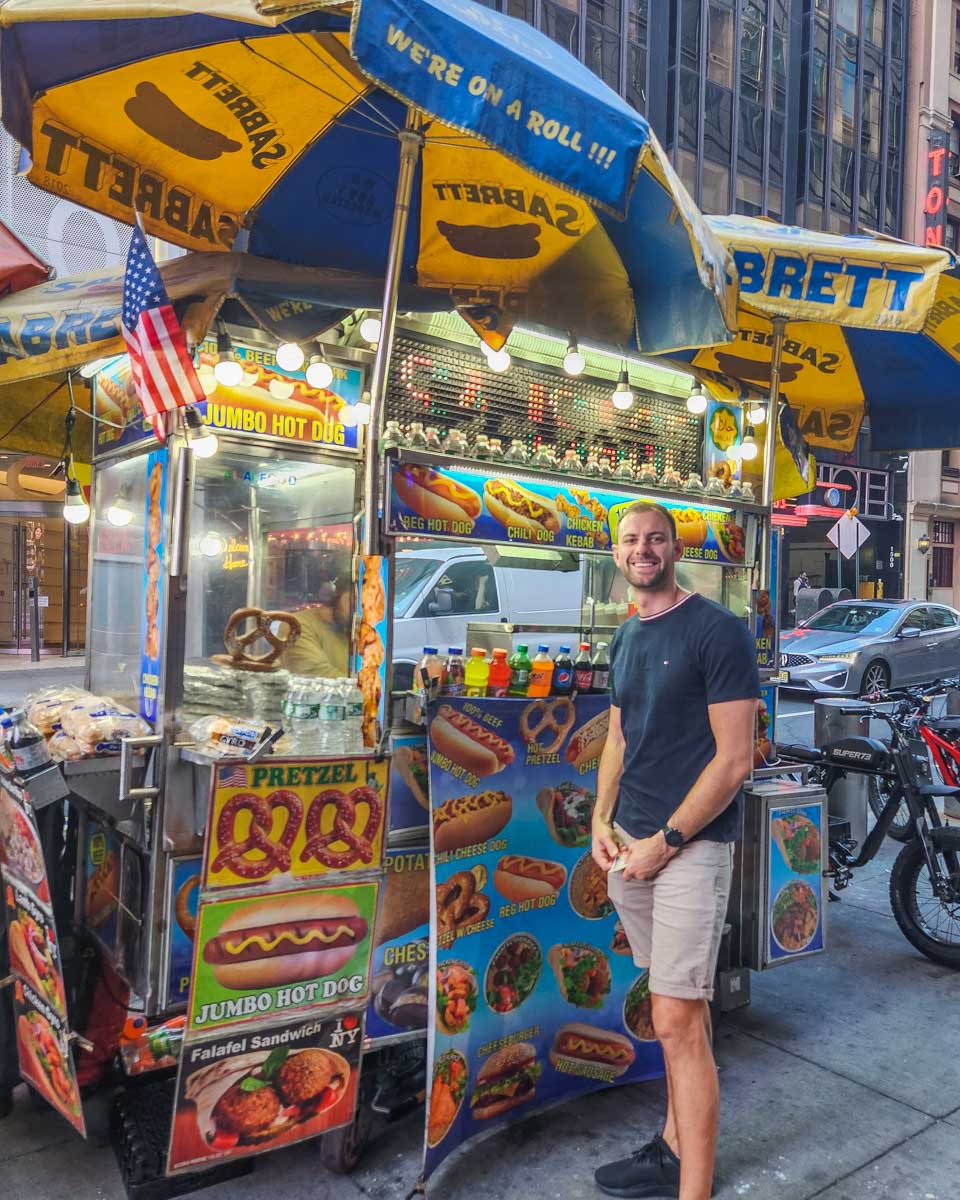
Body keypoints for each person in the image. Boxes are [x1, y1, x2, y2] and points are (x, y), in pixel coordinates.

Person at [591, 501, 759, 1200]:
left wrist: (668, 842)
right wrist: (600, 818)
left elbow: (735, 759)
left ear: (675, 548)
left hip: (690, 848)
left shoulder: (717, 631)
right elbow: (619, 736)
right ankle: (671, 1146)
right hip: (633, 847)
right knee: (680, 1009)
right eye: (631, 540)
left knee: (675, 1016)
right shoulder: (628, 634)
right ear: (616, 552)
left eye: (655, 538)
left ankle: (694, 1189)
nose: (643, 549)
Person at [281, 575, 351, 677]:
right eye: (353, 600)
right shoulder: (298, 625)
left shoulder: (353, 629)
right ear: (337, 596)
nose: (361, 610)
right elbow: (317, 675)